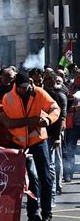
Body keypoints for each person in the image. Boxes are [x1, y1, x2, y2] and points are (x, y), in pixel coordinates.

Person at [0, 72, 60, 221]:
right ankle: (32, 214)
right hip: (19, 144)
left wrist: (48, 119)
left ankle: (47, 214)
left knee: (45, 177)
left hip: (38, 141)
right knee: (29, 180)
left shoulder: (39, 93)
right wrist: (31, 120)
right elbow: (8, 123)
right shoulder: (8, 98)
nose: (25, 90)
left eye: (27, 87)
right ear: (16, 86)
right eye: (21, 88)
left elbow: (55, 108)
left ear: (31, 83)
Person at [43, 71, 67, 201]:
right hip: (44, 134)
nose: (44, 81)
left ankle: (56, 187)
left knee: (53, 162)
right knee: (48, 163)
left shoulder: (58, 95)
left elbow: (61, 117)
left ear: (52, 80)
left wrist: (58, 136)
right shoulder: (43, 93)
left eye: (47, 79)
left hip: (55, 132)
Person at [64, 70, 80, 182]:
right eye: (77, 77)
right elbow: (64, 106)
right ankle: (68, 172)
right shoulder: (69, 88)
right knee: (70, 149)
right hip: (73, 123)